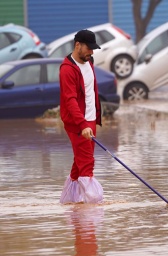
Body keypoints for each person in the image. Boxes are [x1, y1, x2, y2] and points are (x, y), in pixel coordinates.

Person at [59, 29, 103, 204]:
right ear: (77, 45)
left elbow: (91, 92)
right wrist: (82, 124)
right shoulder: (67, 70)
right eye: (89, 48)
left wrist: (93, 120)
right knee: (87, 163)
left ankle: (72, 203)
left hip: (90, 120)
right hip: (79, 123)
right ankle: (91, 213)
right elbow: (70, 101)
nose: (91, 52)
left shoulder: (89, 61)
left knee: (79, 163)